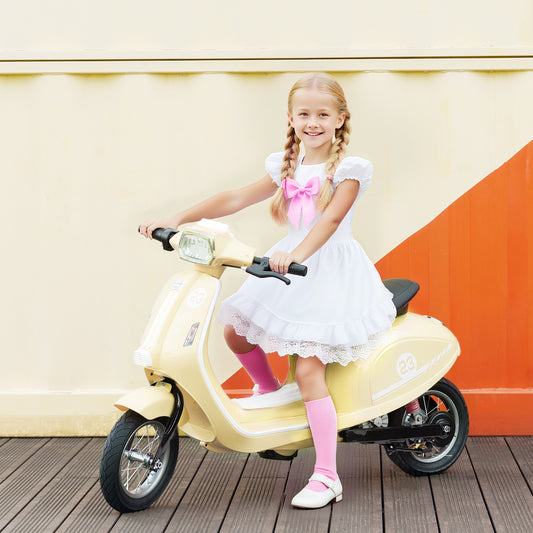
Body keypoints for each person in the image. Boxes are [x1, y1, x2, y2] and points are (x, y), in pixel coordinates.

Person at [140, 72, 396, 509]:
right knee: (235, 331)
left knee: (310, 372)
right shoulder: (284, 165)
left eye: (323, 114)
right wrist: (177, 219)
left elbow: (332, 220)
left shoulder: (350, 170)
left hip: (328, 271)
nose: (312, 122)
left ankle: (327, 475)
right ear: (291, 118)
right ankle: (269, 391)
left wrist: (296, 252)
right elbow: (236, 198)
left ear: (340, 119)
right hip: (290, 263)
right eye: (304, 114)